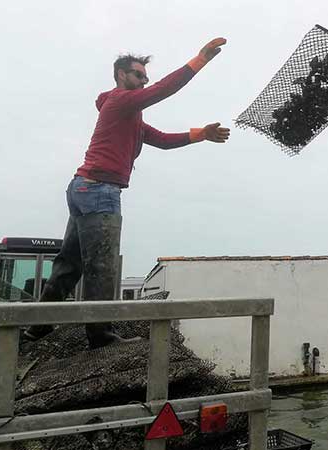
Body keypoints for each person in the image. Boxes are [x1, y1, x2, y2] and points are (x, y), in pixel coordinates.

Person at [25, 38, 230, 349]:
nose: (144, 81)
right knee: (102, 267)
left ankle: (36, 329)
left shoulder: (129, 115)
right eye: (139, 75)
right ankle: (101, 338)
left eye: (145, 77)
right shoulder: (121, 101)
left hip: (83, 187)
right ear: (121, 75)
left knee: (70, 265)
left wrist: (200, 135)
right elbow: (163, 90)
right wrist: (199, 60)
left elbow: (160, 139)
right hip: (99, 191)